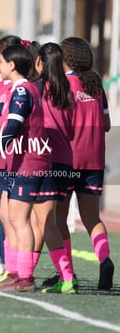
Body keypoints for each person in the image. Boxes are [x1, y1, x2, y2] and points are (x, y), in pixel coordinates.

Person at [0, 44, 53, 292]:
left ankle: (25, 277)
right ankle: (16, 272)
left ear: (12, 65)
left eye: (2, 61)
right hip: (22, 161)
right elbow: (3, 110)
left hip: (29, 161)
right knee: (10, 217)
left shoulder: (21, 91)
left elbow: (11, 127)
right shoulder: (22, 89)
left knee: (19, 220)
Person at [42, 37, 114, 291]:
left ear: (66, 58)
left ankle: (66, 274)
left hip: (68, 157)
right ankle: (105, 259)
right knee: (92, 217)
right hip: (94, 160)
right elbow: (105, 125)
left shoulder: (62, 84)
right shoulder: (96, 86)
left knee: (59, 218)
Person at [32, 42, 78, 294]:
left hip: (46, 162)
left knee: (44, 223)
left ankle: (63, 277)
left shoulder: (40, 90)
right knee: (54, 223)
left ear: (39, 62)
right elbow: (70, 131)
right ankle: (65, 276)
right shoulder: (66, 92)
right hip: (66, 162)